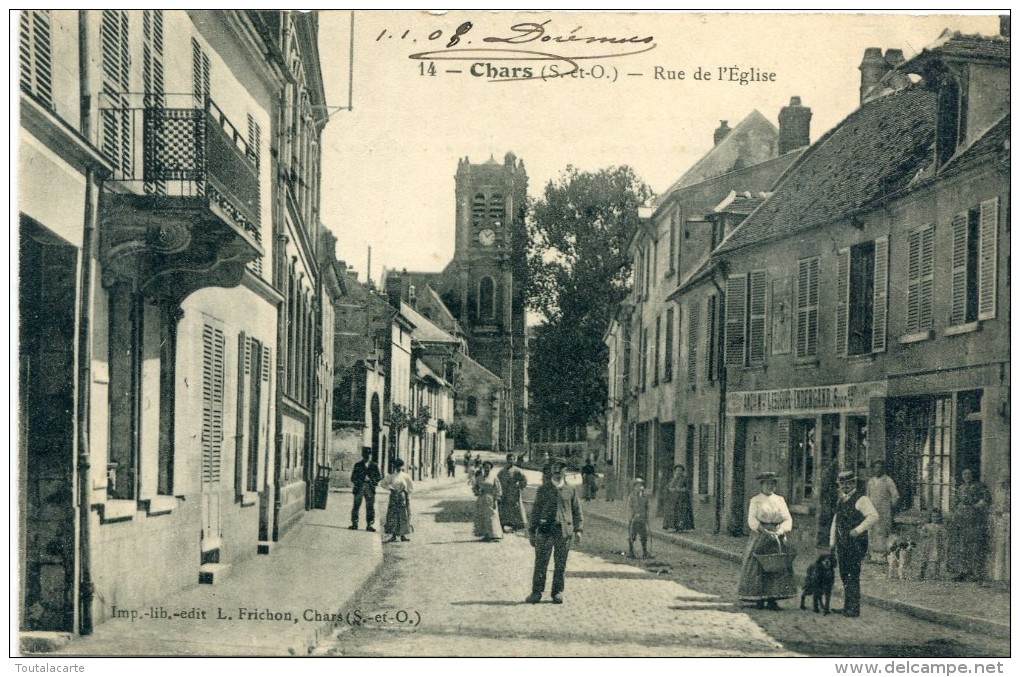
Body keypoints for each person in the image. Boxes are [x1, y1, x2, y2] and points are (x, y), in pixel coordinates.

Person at [526, 458, 583, 604]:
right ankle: (536, 592)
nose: (557, 470)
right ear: (551, 470)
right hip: (545, 530)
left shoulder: (571, 489)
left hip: (563, 531)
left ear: (565, 471)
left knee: (560, 563)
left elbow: (577, 511)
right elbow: (536, 511)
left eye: (561, 467)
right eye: (554, 467)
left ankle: (557, 592)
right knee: (541, 563)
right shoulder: (543, 489)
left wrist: (578, 529)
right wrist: (532, 531)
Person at [737, 471, 797, 611]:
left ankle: (772, 599)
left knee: (777, 565)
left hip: (777, 536)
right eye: (768, 483)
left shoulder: (780, 500)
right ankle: (758, 598)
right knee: (758, 566)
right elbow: (752, 520)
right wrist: (765, 532)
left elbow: (788, 518)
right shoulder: (756, 500)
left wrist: (780, 531)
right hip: (761, 535)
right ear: (762, 484)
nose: (771, 486)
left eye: (773, 483)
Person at [829, 470, 878, 617]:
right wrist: (832, 542)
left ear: (853, 483)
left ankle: (854, 608)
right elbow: (835, 522)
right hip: (842, 543)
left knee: (852, 575)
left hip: (856, 543)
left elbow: (874, 516)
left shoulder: (862, 500)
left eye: (848, 483)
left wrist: (858, 530)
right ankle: (847, 606)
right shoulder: (841, 500)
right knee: (844, 574)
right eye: (842, 484)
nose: (845, 486)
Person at [947, 468, 992, 582]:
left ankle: (976, 573)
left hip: (974, 520)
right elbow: (956, 502)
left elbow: (986, 499)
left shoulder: (979, 486)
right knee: (962, 546)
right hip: (961, 519)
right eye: (964, 474)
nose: (966, 476)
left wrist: (976, 506)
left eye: (969, 473)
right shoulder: (961, 488)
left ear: (973, 475)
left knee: (974, 546)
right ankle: (963, 572)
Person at [866, 459, 900, 563]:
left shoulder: (888, 480)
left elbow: (895, 495)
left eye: (880, 468)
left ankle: (882, 557)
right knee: (872, 532)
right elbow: (868, 495)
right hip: (872, 511)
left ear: (883, 469)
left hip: (884, 512)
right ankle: (873, 556)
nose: (877, 470)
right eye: (875, 468)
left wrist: (890, 507)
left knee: (882, 532)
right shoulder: (871, 481)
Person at [380, 458, 413, 542]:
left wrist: (407, 494)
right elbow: (383, 483)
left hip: (402, 497)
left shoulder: (405, 476)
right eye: (397, 466)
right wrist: (390, 488)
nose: (398, 468)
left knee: (403, 516)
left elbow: (410, 487)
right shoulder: (391, 476)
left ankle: (403, 535)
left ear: (402, 466)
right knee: (393, 515)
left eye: (400, 466)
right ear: (394, 466)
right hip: (394, 497)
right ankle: (393, 535)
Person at [349, 448, 382, 532]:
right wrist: (359, 482)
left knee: (370, 506)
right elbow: (353, 477)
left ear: (370, 455)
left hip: (369, 487)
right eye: (365, 456)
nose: (367, 457)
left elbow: (378, 477)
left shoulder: (374, 465)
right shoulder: (358, 465)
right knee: (356, 506)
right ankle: (354, 524)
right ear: (363, 456)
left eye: (368, 455)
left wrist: (371, 481)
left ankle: (369, 525)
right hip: (359, 487)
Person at [497, 454, 529, 533]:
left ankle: (516, 525)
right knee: (504, 508)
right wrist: (499, 491)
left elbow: (524, 480)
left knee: (515, 508)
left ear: (514, 460)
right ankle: (505, 524)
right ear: (507, 460)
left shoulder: (517, 470)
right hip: (504, 492)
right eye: (509, 459)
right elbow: (497, 481)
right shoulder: (502, 471)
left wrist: (519, 486)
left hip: (514, 492)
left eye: (512, 459)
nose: (511, 461)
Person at [473, 461, 503, 541]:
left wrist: (496, 498)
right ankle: (485, 535)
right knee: (482, 516)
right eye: (485, 467)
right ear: (483, 468)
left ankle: (494, 535)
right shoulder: (479, 477)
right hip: (481, 499)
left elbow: (498, 489)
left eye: (488, 468)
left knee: (491, 516)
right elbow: (475, 487)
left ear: (491, 468)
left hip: (491, 499)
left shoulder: (494, 478)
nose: (487, 469)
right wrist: (477, 491)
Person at [919, 508, 949, 581]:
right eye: (933, 517)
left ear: (939, 518)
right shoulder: (927, 526)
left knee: (937, 559)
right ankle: (922, 574)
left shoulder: (941, 527)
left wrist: (942, 536)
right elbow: (921, 533)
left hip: (937, 544)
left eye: (937, 517)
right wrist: (926, 534)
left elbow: (945, 535)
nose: (935, 518)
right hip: (928, 545)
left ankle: (936, 575)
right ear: (930, 517)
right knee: (925, 558)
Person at [628, 478, 650, 558]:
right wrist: (633, 514)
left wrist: (646, 515)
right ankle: (631, 551)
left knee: (643, 536)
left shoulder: (645, 496)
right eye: (637, 486)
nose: (639, 488)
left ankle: (645, 552)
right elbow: (630, 507)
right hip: (634, 519)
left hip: (642, 519)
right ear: (634, 487)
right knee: (632, 535)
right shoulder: (631, 496)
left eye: (641, 486)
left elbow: (647, 507)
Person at [672, 465, 695, 532]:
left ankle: (685, 527)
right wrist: (672, 489)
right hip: (676, 498)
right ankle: (676, 527)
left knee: (684, 511)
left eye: (680, 470)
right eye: (677, 470)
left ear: (683, 471)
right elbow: (671, 487)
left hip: (684, 498)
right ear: (675, 471)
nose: (679, 472)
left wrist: (680, 490)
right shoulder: (674, 479)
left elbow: (688, 488)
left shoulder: (685, 478)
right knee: (677, 511)